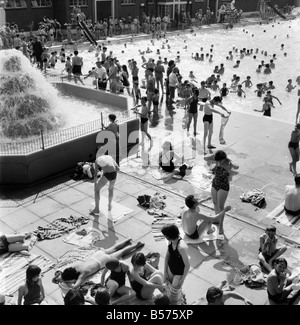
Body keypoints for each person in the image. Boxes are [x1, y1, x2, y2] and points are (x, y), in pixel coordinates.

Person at [57, 238, 144, 290]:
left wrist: (66, 281)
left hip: (102, 262)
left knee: (122, 252)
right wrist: (61, 277)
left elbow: (75, 286)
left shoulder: (82, 274)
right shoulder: (75, 266)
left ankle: (136, 245)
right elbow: (64, 272)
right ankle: (128, 239)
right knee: (115, 247)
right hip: (96, 256)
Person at [204, 150, 239, 214]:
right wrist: (214, 154)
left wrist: (229, 158)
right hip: (215, 183)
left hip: (223, 186)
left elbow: (236, 166)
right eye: (218, 160)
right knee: (215, 202)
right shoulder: (217, 161)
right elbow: (205, 158)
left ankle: (220, 222)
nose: (219, 162)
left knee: (220, 206)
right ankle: (216, 218)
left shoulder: (228, 163)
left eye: (221, 160)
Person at [161, 224, 190, 290]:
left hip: (179, 272)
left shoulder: (181, 247)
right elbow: (167, 257)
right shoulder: (170, 242)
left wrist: (182, 279)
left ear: (169, 235)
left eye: (165, 235)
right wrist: (165, 272)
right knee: (167, 287)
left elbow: (187, 265)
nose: (164, 237)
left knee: (174, 290)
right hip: (170, 268)